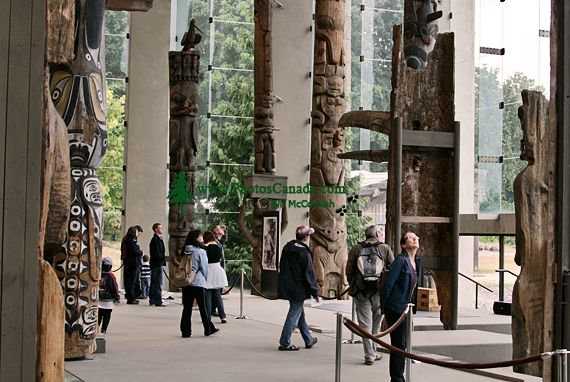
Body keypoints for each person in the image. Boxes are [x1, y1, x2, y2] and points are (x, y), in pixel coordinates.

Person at [346, 225, 394, 365]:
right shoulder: (384, 248)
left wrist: (354, 285)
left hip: (361, 291)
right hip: (379, 291)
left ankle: (370, 354)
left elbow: (349, 270)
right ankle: (372, 351)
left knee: (364, 323)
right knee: (376, 323)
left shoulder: (356, 248)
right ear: (377, 234)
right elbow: (392, 267)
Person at [380, 232, 423, 382]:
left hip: (405, 309)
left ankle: (399, 376)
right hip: (395, 307)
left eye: (416, 237)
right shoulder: (400, 260)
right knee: (398, 344)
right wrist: (384, 310)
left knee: (402, 344)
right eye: (411, 238)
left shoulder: (416, 262)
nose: (415, 238)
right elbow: (388, 285)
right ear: (404, 245)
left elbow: (414, 289)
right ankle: (397, 378)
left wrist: (412, 311)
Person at [277, 225, 319, 351]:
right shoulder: (304, 252)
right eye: (309, 235)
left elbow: (281, 266)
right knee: (294, 313)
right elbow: (309, 273)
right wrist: (314, 291)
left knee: (299, 313)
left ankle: (308, 339)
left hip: (287, 285)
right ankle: (285, 342)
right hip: (298, 287)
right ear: (305, 237)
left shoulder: (287, 247)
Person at [179, 229, 219, 338]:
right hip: (198, 282)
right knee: (203, 307)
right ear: (196, 238)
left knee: (187, 308)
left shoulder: (186, 250)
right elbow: (204, 268)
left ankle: (185, 331)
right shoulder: (200, 251)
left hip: (187, 282)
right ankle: (208, 329)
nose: (202, 237)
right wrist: (205, 279)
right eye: (200, 235)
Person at [203, 231, 228, 323]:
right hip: (217, 269)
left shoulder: (205, 248)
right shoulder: (218, 247)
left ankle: (207, 316)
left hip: (208, 270)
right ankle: (223, 316)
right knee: (218, 295)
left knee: (208, 296)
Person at [98, 257, 120, 334]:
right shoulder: (111, 276)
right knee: (106, 317)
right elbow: (114, 287)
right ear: (110, 266)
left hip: (99, 300)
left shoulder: (98, 274)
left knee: (98, 316)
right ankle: (103, 330)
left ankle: (96, 328)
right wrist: (117, 297)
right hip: (108, 302)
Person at [122, 226, 143, 304]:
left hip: (131, 263)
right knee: (131, 281)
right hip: (132, 264)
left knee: (131, 281)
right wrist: (140, 252)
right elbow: (135, 252)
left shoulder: (129, 240)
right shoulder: (130, 241)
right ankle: (131, 298)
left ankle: (132, 296)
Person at [210, 224, 226, 316]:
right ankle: (213, 309)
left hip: (219, 268)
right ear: (216, 232)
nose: (223, 229)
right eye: (220, 229)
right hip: (216, 268)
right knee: (216, 291)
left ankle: (213, 308)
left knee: (217, 291)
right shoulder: (215, 242)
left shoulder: (219, 241)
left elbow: (225, 238)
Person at [149, 222, 166, 307]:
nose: (162, 229)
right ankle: (157, 300)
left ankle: (152, 299)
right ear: (156, 229)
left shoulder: (158, 239)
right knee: (157, 283)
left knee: (154, 282)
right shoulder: (155, 240)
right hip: (157, 263)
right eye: (160, 228)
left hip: (157, 263)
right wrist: (163, 258)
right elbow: (156, 253)